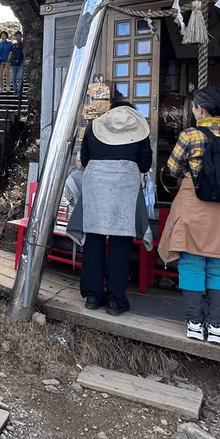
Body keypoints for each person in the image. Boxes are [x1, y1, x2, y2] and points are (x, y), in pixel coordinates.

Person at [159, 86, 220, 346]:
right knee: (219, 266)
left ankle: (193, 323)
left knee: (191, 263)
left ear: (200, 109)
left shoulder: (190, 134)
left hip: (194, 202)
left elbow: (173, 168)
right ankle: (216, 327)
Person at [77, 101, 152, 315]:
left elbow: (85, 159)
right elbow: (145, 163)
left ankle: (92, 296)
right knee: (121, 238)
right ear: (133, 114)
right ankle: (115, 301)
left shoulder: (95, 125)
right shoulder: (138, 128)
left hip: (96, 180)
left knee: (94, 235)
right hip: (125, 182)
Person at [10, 30, 25, 96]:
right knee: (13, 78)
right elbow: (10, 54)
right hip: (13, 63)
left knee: (20, 77)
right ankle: (15, 90)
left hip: (20, 63)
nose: (18, 37)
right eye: (16, 36)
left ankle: (19, 91)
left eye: (19, 36)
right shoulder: (13, 45)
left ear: (21, 36)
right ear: (15, 37)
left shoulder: (24, 45)